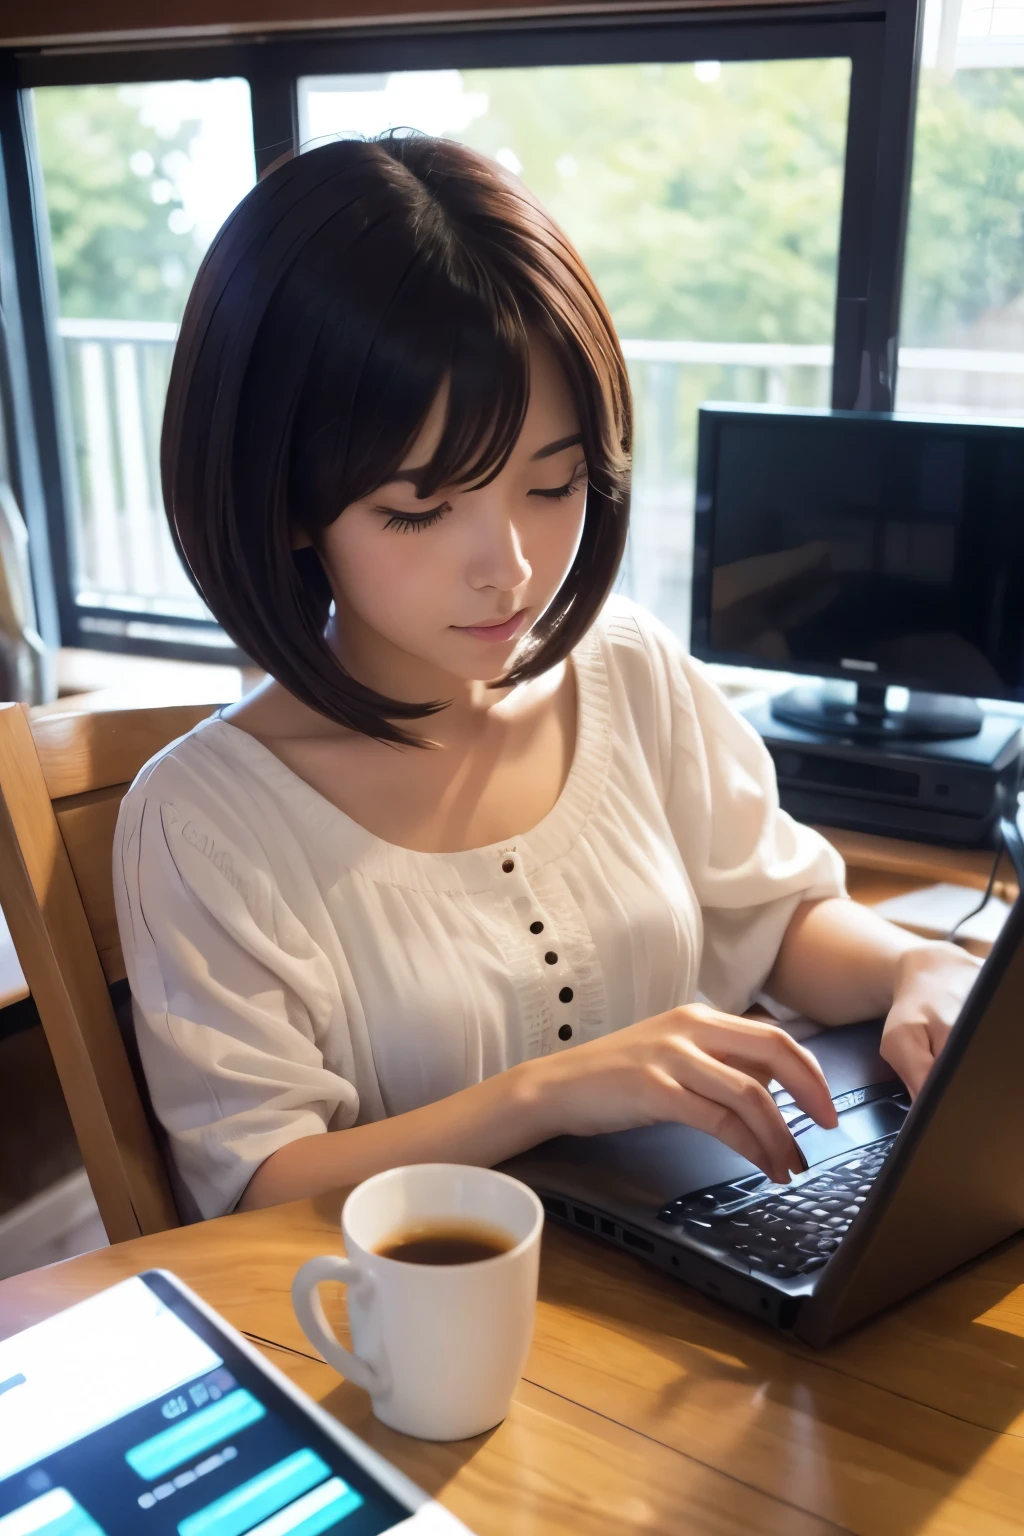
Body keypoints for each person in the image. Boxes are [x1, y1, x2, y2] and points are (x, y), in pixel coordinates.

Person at [113, 134, 981, 1222]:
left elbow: (778, 921)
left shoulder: (623, 669)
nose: (511, 570)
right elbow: (259, 1186)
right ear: (284, 504)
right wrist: (549, 1095)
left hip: (697, 1280)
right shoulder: (204, 821)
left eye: (554, 483)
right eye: (420, 509)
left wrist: (918, 968)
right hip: (430, 1348)